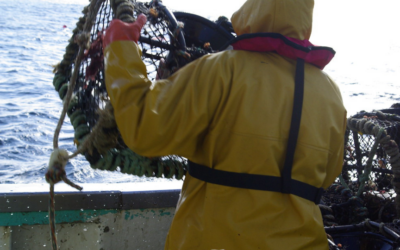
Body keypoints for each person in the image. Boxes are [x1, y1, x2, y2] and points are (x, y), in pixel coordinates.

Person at [103, 0, 347, 249]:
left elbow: (145, 129)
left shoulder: (219, 70)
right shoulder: (331, 94)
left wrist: (120, 49)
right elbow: (328, 175)